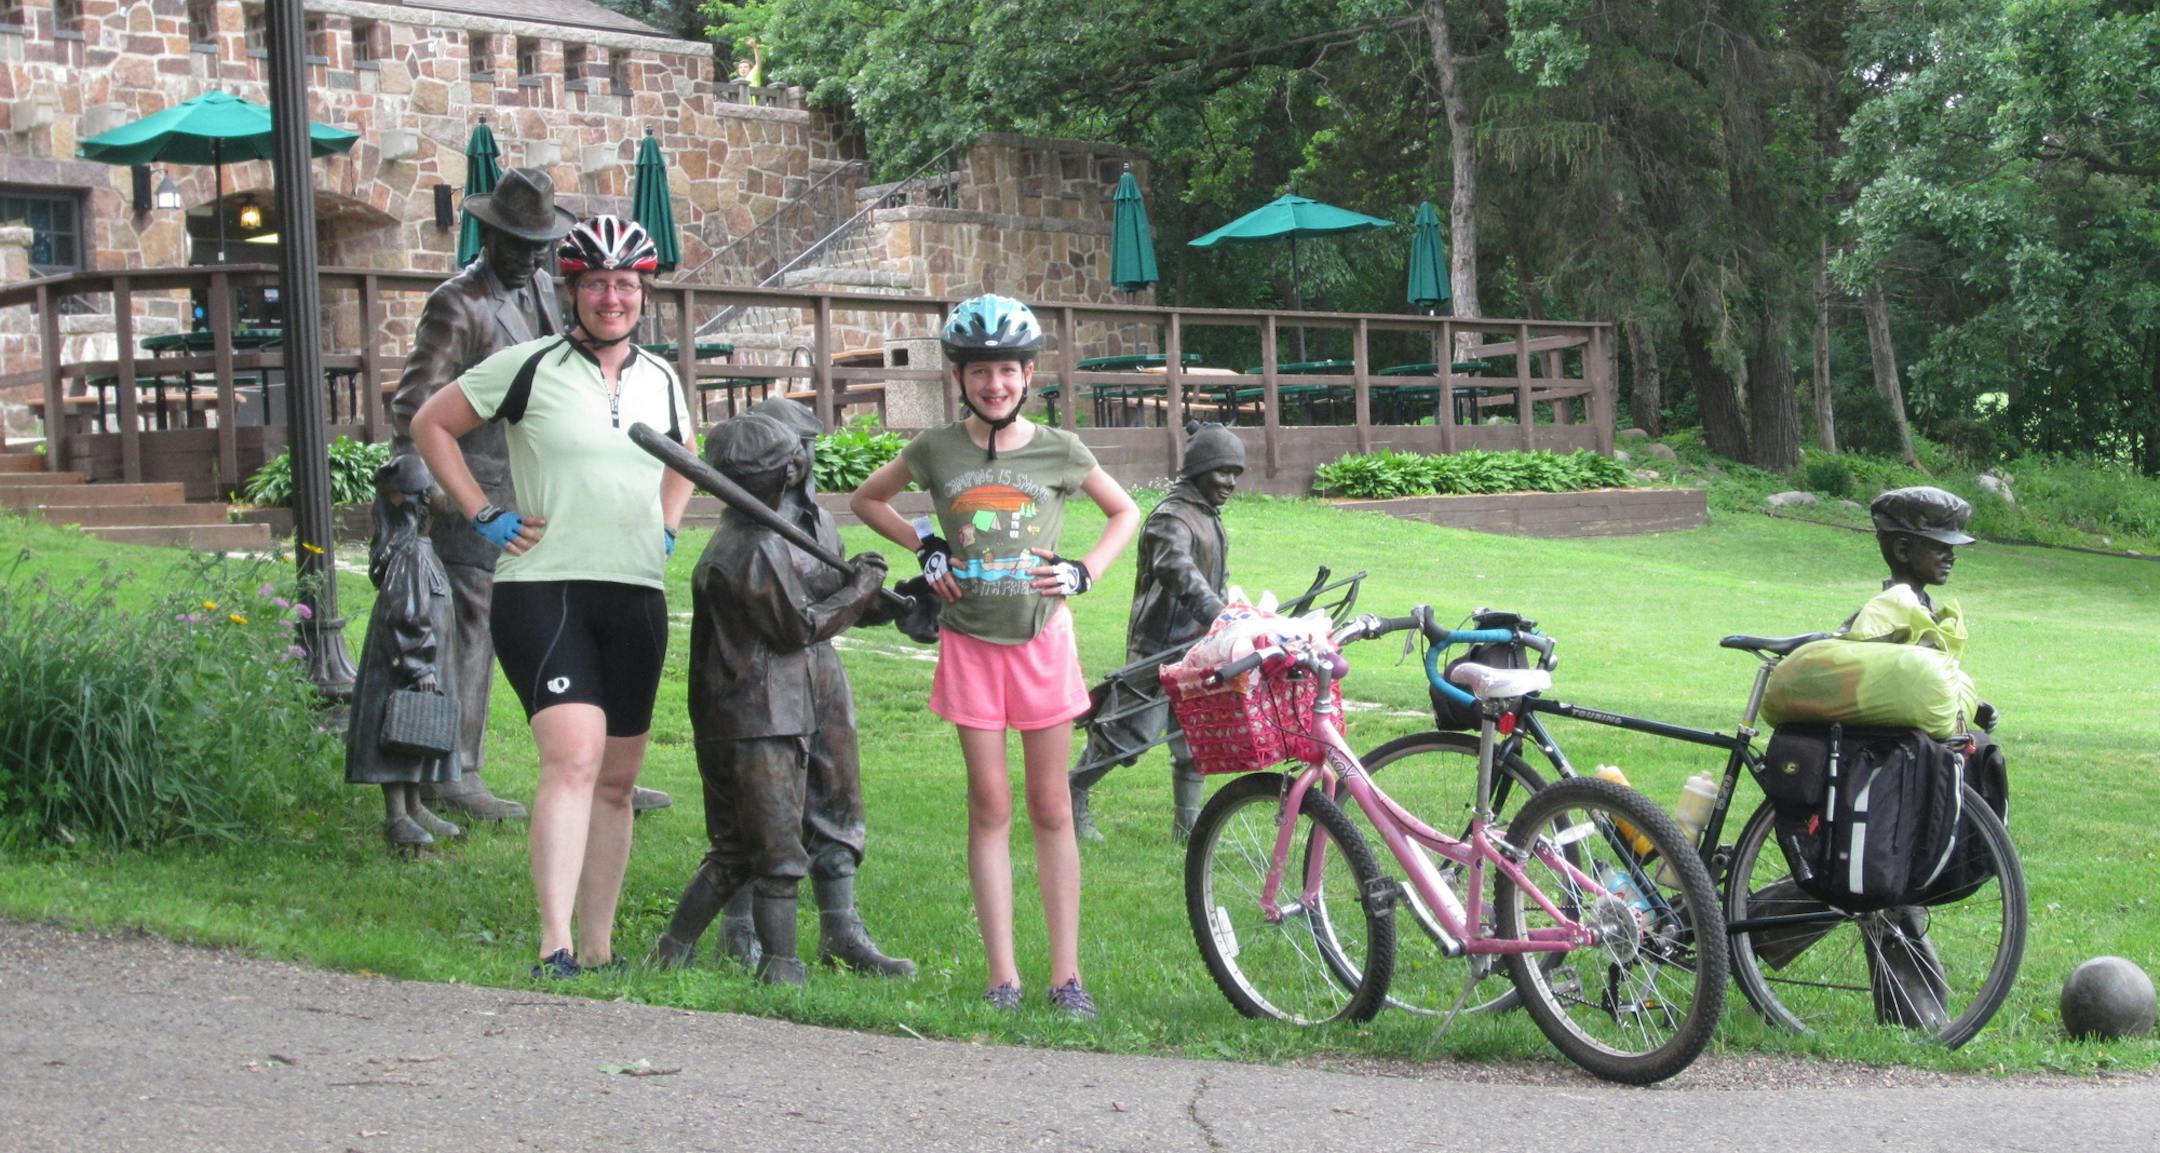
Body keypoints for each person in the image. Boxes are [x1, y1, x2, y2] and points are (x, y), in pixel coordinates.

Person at [410, 215, 695, 979]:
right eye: (597, 284)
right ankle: (554, 942)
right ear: (570, 290)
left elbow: (683, 457)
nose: (612, 297)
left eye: (626, 285)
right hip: (545, 588)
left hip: (634, 591)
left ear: (643, 294)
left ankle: (600, 947)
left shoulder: (661, 378)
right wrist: (483, 512)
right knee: (572, 757)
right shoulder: (526, 365)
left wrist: (667, 527)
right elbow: (432, 423)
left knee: (618, 778)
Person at [850, 294, 1139, 1017]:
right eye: (980, 372)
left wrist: (1084, 570)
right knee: (989, 804)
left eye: (1008, 371)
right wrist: (926, 542)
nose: (995, 384)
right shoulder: (937, 450)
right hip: (970, 643)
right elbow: (868, 499)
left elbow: (1125, 511)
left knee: (1050, 806)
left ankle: (1066, 976)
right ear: (959, 377)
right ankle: (1002, 975)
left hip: (1043, 642)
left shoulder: (1061, 450)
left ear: (1029, 373)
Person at [651, 412, 912, 984]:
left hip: (807, 692)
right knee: (761, 842)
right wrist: (860, 589)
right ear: (785, 468)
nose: (805, 462)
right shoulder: (750, 547)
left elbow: (826, 601)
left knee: (821, 813)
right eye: (798, 452)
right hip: (759, 707)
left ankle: (824, 935)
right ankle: (772, 960)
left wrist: (882, 605)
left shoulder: (797, 526)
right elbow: (796, 625)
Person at [389, 167, 569, 824]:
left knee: (563, 629)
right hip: (478, 500)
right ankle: (455, 772)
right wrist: (443, 498)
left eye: (539, 244)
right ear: (488, 235)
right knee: (472, 632)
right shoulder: (458, 303)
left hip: (544, 493)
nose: (530, 256)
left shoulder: (546, 289)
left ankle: (585, 765)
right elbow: (413, 407)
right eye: (517, 243)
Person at [1069, 421, 1245, 843]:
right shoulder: (1171, 518)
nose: (1231, 482)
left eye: (1236, 473)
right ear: (1199, 469)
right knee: (1129, 734)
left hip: (1198, 647)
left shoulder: (1207, 515)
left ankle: (1189, 831)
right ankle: (1071, 791)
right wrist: (1220, 616)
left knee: (1193, 741)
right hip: (1159, 648)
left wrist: (1232, 616)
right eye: (1223, 471)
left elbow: (1212, 578)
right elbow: (1177, 570)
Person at [344, 453, 463, 853]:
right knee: (397, 732)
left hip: (422, 663)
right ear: (421, 500)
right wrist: (419, 665)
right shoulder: (410, 555)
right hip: (404, 665)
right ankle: (397, 814)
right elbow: (406, 615)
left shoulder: (423, 549)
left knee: (416, 732)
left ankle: (415, 806)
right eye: (435, 487)